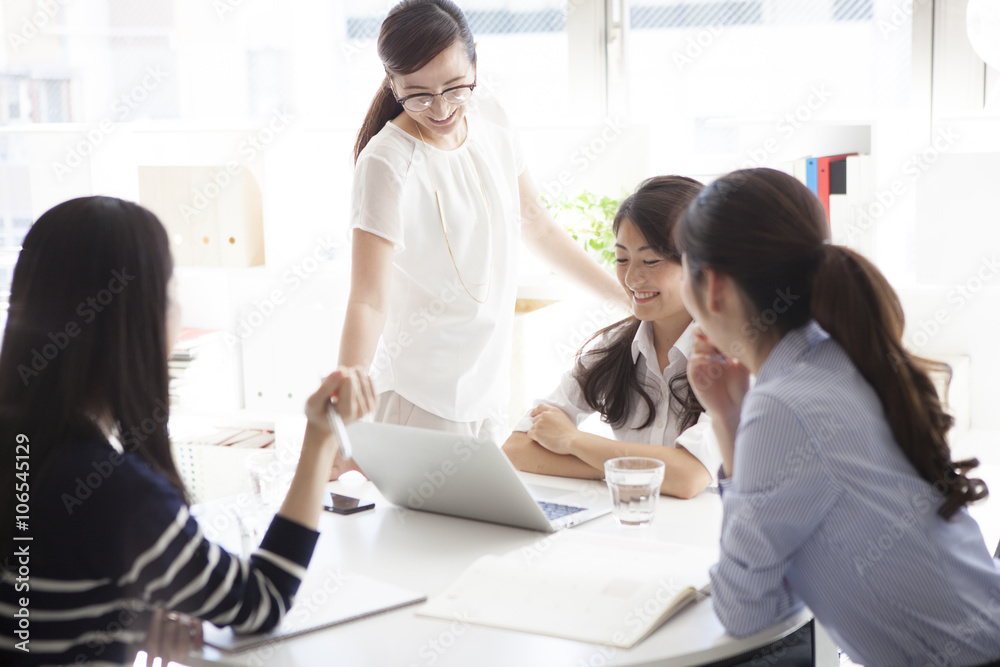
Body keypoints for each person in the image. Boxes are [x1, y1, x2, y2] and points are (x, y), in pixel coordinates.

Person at [0, 197, 375, 666]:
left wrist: (119, 622)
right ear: (138, 318)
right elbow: (261, 601)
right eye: (173, 291)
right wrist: (320, 440)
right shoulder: (114, 493)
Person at [676, 168, 1000, 665]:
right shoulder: (834, 354)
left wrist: (738, 419)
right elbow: (781, 586)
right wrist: (728, 415)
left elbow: (744, 610)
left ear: (713, 286)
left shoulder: (785, 405)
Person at [339, 0, 628, 449]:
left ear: (476, 62)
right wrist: (344, 419)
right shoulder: (386, 163)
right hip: (419, 401)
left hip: (488, 394)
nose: (439, 109)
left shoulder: (489, 113)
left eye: (455, 87)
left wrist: (629, 300)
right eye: (417, 94)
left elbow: (538, 227)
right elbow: (368, 301)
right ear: (392, 82)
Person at [503, 176, 719, 499]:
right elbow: (517, 448)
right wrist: (626, 467)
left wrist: (574, 443)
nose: (631, 278)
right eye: (621, 259)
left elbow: (688, 477)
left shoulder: (732, 358)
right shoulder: (612, 349)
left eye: (650, 261)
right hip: (628, 530)